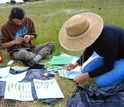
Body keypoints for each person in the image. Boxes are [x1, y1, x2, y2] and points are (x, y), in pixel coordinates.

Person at [59, 13, 124, 87]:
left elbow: (108, 66)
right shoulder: (92, 35)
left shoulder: (108, 38)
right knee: (85, 71)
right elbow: (89, 49)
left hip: (121, 57)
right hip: (111, 56)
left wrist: (85, 76)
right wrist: (76, 64)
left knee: (101, 82)